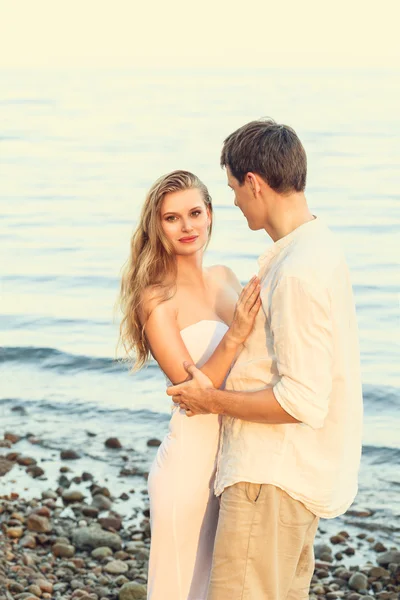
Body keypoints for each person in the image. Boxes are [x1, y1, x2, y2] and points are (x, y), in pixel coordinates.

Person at [168, 119, 363, 600]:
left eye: (234, 187)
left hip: (268, 481)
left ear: (254, 183)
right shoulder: (318, 248)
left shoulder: (296, 271)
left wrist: (212, 400)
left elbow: (301, 400)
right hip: (290, 482)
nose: (233, 200)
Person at [117, 170, 261, 600]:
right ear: (156, 226)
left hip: (239, 463)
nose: (187, 227)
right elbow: (195, 395)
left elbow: (257, 359)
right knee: (179, 590)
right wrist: (235, 333)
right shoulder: (155, 298)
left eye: (195, 213)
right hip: (188, 469)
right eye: (172, 218)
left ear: (211, 215)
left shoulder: (224, 276)